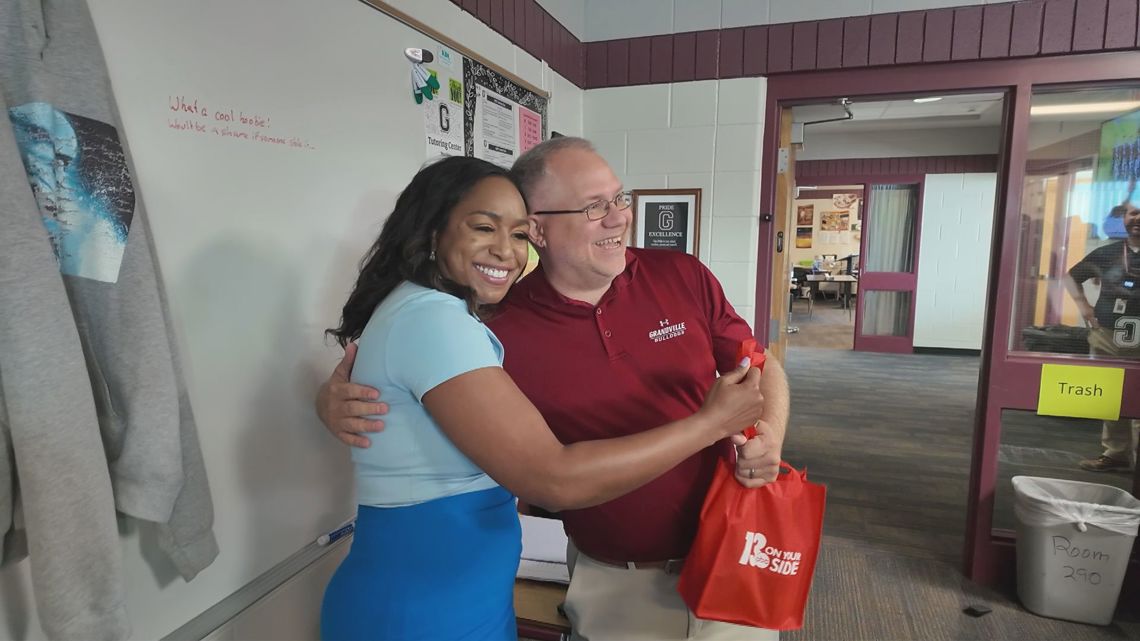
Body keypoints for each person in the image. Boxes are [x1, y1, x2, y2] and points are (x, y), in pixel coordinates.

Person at [319, 137, 791, 641]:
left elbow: (761, 366)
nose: (618, 218)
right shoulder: (496, 323)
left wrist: (769, 435)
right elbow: (544, 471)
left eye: (618, 198)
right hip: (614, 581)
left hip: (732, 550)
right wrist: (331, 399)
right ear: (540, 230)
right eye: (594, 206)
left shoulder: (680, 274)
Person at [1063, 201, 1140, 472]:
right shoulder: (1107, 253)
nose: (1138, 218)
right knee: (1112, 397)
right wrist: (1084, 306)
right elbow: (1072, 277)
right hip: (1108, 335)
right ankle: (1116, 454)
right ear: (1125, 219)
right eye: (1134, 213)